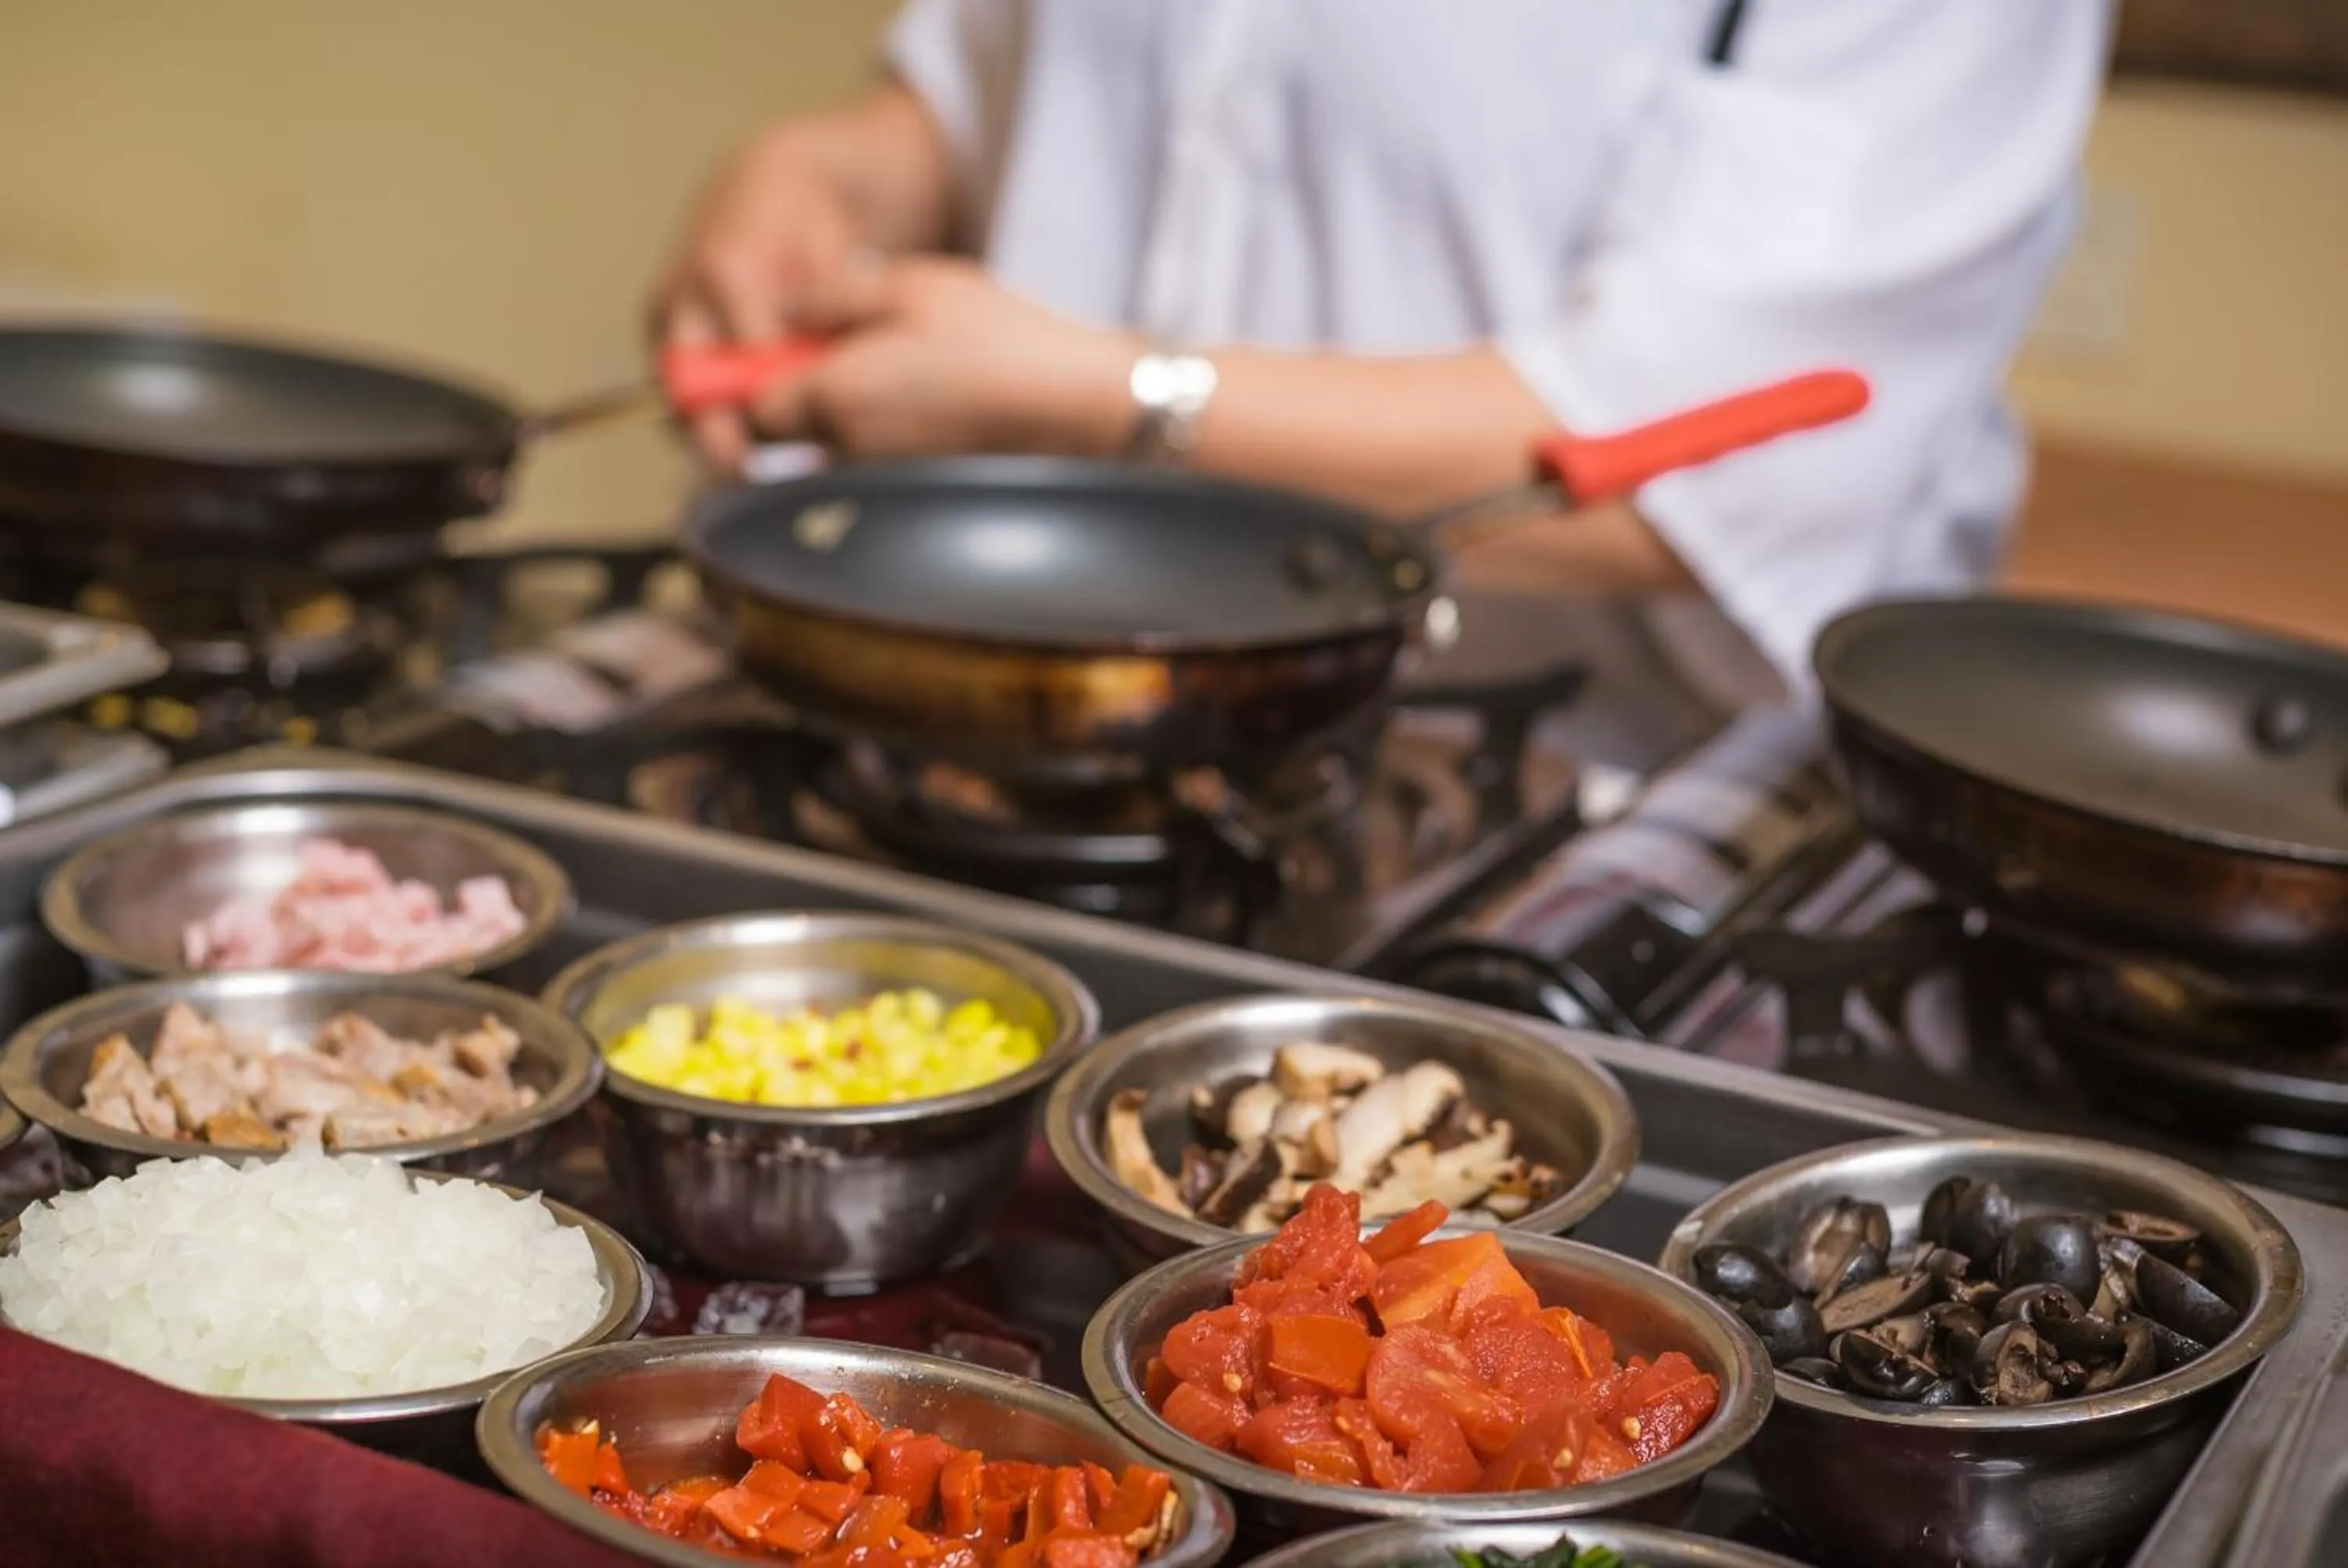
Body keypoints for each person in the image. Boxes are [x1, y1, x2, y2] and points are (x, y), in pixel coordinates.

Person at [652, 0, 2112, 712]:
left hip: (1575, 770)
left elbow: (1715, 461)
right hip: (1022, 679)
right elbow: (1005, 84)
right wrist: (839, 168)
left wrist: (1108, 404)